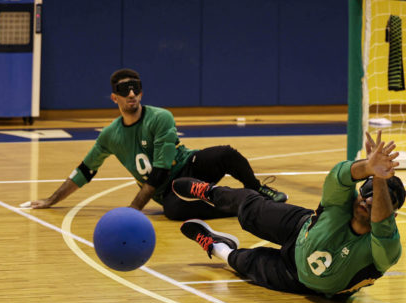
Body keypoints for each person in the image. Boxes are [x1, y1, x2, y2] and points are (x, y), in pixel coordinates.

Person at [25, 68, 287, 220]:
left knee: (225, 154)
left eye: (135, 89)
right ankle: (240, 205)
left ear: (141, 92)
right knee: (174, 211)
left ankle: (256, 190)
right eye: (125, 90)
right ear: (114, 97)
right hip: (167, 192)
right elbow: (85, 170)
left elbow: (160, 168)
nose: (131, 94)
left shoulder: (161, 117)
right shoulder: (109, 135)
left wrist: (133, 210)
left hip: (189, 168)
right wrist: (51, 199)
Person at [174, 131, 405, 300]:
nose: (370, 199)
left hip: (300, 279)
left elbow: (381, 224)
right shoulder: (340, 204)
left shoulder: (386, 249)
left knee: (244, 262)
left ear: (392, 216)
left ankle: (216, 245)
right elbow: (341, 175)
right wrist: (368, 168)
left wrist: (381, 179)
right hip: (299, 227)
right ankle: (209, 191)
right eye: (367, 191)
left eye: (381, 197)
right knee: (251, 207)